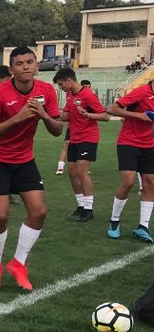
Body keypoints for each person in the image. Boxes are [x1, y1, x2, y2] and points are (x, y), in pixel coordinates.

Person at [0, 45, 62, 292]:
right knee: (1, 215)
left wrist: (44, 115)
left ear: (37, 65)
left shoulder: (47, 91)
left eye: (30, 62)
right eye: (19, 63)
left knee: (39, 212)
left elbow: (58, 130)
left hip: (24, 159)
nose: (26, 66)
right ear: (12, 69)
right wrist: (18, 117)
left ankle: (18, 263)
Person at [53, 69, 108, 223]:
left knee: (82, 171)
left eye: (61, 84)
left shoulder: (88, 95)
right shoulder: (70, 95)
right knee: (72, 171)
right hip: (74, 137)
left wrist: (88, 114)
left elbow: (105, 116)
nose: (60, 88)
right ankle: (81, 205)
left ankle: (89, 209)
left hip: (88, 138)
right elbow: (65, 116)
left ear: (69, 81)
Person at [105, 77, 154, 242]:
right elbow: (111, 108)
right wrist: (139, 115)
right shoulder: (141, 92)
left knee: (150, 183)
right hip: (128, 142)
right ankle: (114, 221)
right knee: (128, 182)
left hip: (149, 144)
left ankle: (143, 227)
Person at [55, 79, 94, 175]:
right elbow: (67, 111)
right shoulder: (71, 94)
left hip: (85, 129)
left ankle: (84, 168)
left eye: (89, 87)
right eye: (86, 87)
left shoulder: (90, 96)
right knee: (67, 144)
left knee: (83, 147)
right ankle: (60, 167)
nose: (87, 89)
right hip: (73, 127)